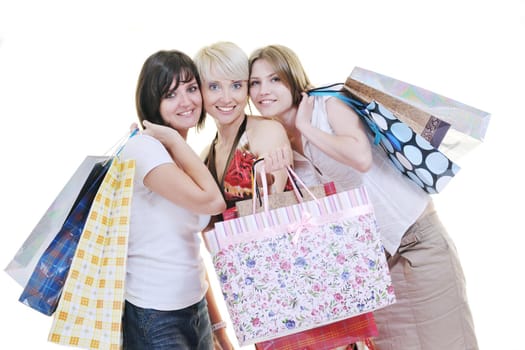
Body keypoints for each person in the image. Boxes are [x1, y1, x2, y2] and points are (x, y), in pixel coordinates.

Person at [248, 44, 479, 350]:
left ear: (292, 78)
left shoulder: (327, 105)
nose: (264, 90)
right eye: (255, 83)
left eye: (274, 79)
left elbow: (360, 157)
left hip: (417, 244)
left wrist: (305, 127)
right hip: (371, 268)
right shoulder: (274, 142)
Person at [118, 49, 228, 349]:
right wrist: (173, 141)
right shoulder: (144, 149)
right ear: (152, 103)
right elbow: (213, 203)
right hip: (155, 314)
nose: (186, 101)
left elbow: (189, 249)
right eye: (170, 94)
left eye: (191, 88)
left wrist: (220, 331)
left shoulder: (183, 154)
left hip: (195, 309)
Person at [193, 41, 292, 227]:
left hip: (279, 249)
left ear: (247, 89)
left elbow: (273, 209)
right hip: (234, 254)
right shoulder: (206, 156)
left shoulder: (266, 131)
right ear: (200, 91)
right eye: (214, 86)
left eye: (236, 85)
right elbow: (208, 227)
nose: (227, 98)